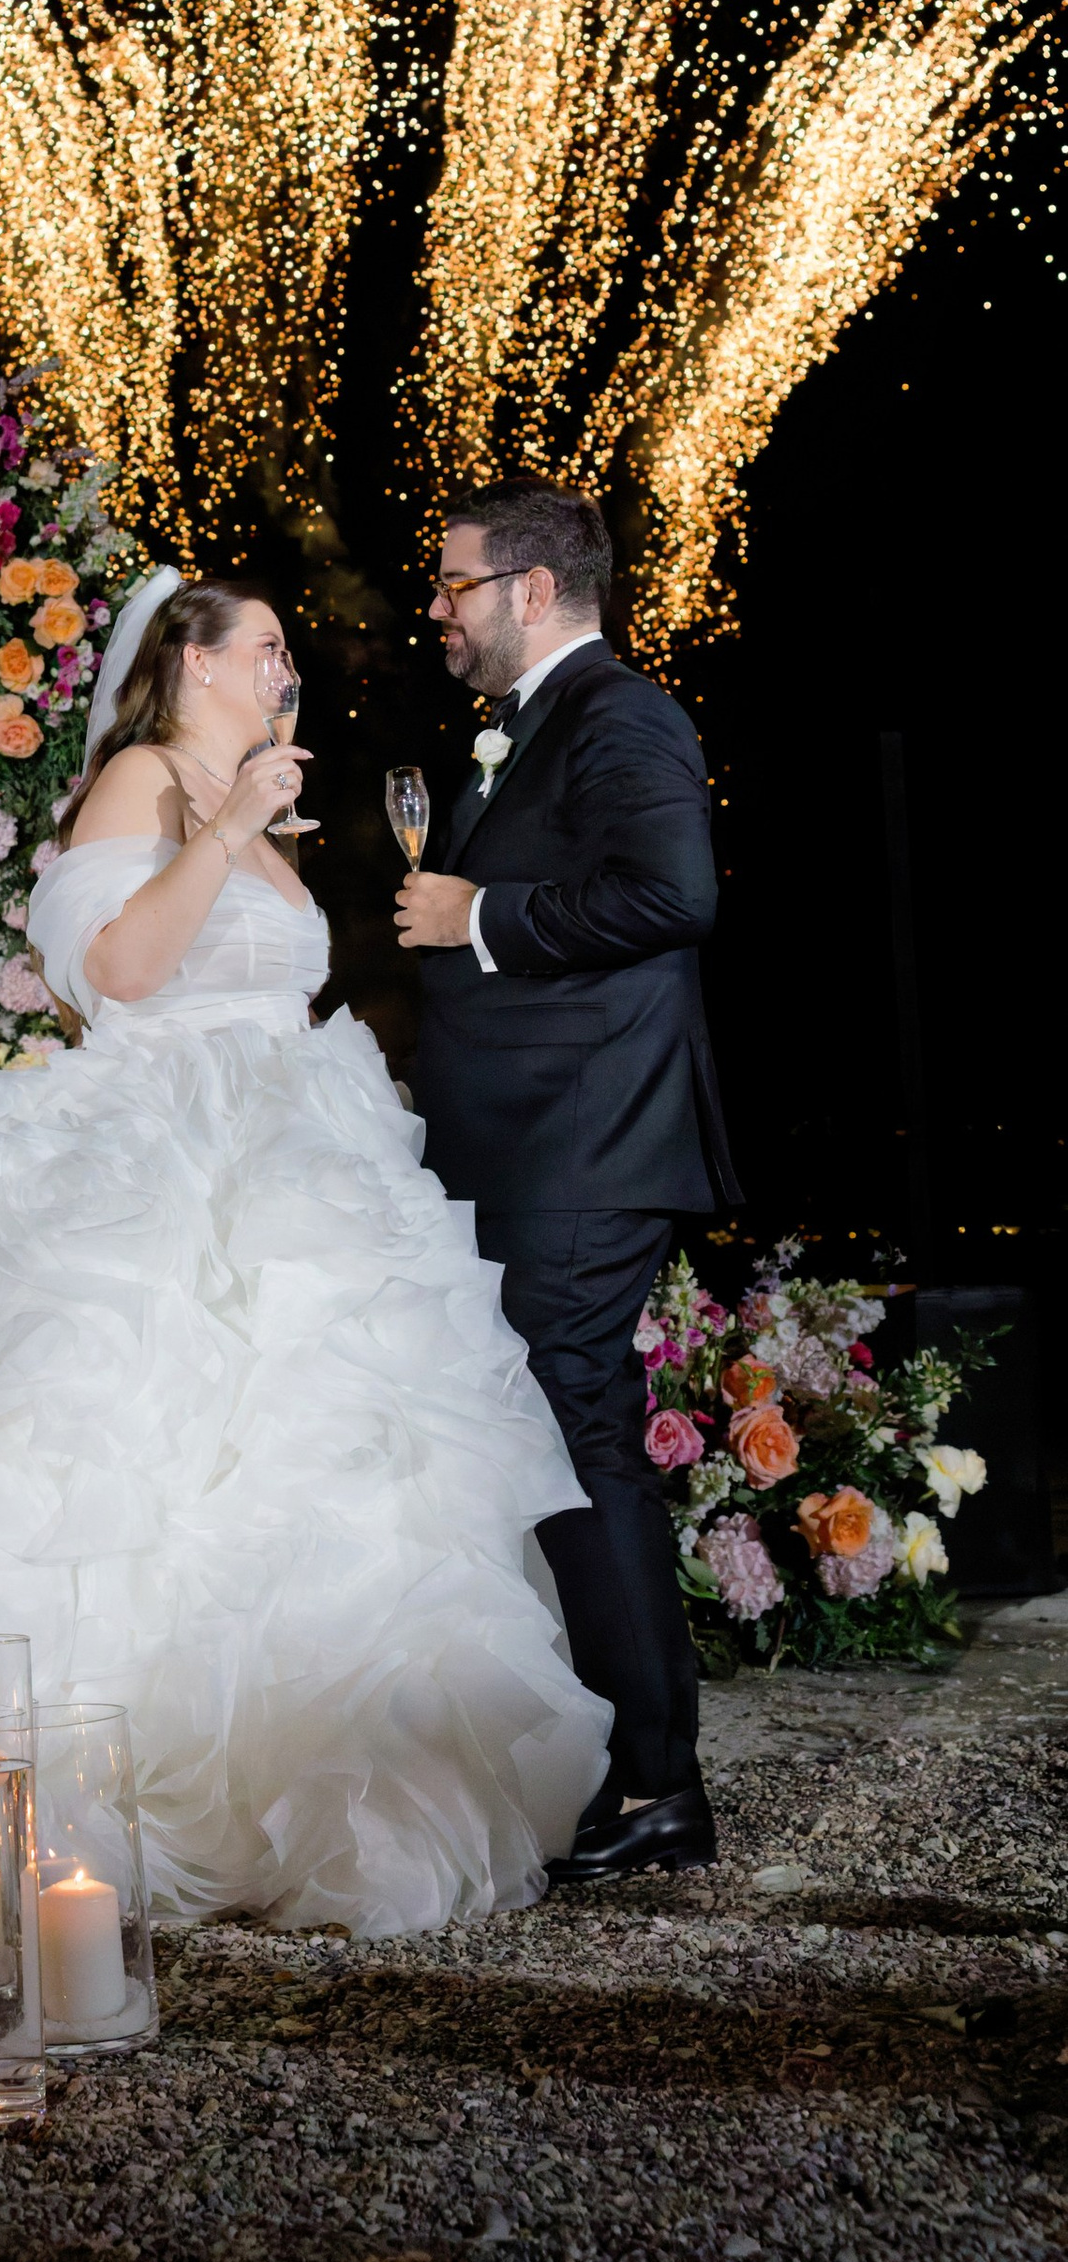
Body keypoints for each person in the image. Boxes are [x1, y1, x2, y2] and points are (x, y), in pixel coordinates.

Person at [0, 571, 610, 1938]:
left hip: (297, 1145)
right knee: (118, 1446)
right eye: (267, 647)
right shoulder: (138, 781)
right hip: (155, 1144)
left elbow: (277, 975)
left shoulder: (260, 809)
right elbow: (117, 970)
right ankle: (80, 1782)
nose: (287, 669)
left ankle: (312, 1776)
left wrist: (253, 828)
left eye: (291, 650)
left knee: (320, 1453)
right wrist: (224, 827)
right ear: (188, 659)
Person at [395, 476, 737, 1886]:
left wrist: (482, 912)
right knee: (564, 1443)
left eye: (456, 583)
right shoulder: (525, 729)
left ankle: (659, 1783)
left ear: (533, 591)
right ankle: (624, 1766)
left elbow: (677, 892)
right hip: (537, 1145)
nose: (438, 607)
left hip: (588, 1149)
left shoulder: (623, 715)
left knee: (586, 1443)